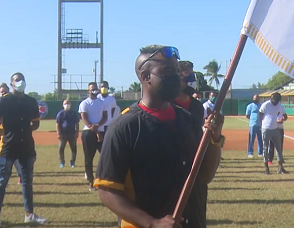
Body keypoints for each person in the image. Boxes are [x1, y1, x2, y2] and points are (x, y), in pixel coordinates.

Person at [94, 45, 224, 228]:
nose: (176, 76)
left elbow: (204, 176)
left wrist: (215, 140)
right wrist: (152, 223)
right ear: (146, 76)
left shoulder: (187, 120)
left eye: (176, 70)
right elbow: (107, 191)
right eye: (168, 71)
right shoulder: (124, 126)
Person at [0, 73, 46, 227]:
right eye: (16, 80)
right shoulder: (3, 102)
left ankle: (29, 214)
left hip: (26, 147)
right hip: (7, 147)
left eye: (22, 80)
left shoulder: (31, 102)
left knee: (27, 181)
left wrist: (25, 131)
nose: (20, 82)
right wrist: (5, 134)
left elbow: (36, 124)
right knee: (1, 182)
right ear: (11, 83)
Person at [173, 60, 212, 228]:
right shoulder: (167, 105)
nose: (192, 80)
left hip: (195, 171)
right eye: (187, 76)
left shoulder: (197, 107)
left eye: (192, 75)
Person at [79, 82, 108, 191]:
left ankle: (103, 179)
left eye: (95, 88)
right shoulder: (84, 103)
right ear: (88, 91)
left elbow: (105, 117)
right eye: (92, 89)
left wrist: (98, 126)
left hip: (101, 131)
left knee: (105, 157)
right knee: (88, 158)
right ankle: (91, 181)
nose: (94, 90)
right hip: (88, 133)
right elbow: (84, 118)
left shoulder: (102, 103)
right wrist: (95, 130)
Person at [260, 92, 288, 175]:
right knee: (265, 148)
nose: (272, 101)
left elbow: (285, 115)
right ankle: (266, 169)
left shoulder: (279, 105)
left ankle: (280, 168)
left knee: (279, 149)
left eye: (274, 100)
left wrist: (282, 119)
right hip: (266, 129)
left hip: (275, 129)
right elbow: (260, 114)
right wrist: (262, 124)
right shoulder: (266, 105)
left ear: (278, 100)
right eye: (271, 99)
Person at [56, 99, 79, 168]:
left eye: (68, 103)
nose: (67, 105)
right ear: (63, 105)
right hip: (63, 134)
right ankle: (62, 162)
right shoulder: (60, 113)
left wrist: (77, 132)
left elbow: (77, 123)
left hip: (72, 133)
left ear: (70, 105)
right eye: (65, 103)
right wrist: (58, 133)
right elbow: (57, 123)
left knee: (73, 148)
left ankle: (72, 162)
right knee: (61, 148)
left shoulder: (73, 113)